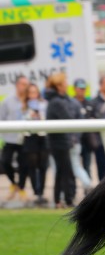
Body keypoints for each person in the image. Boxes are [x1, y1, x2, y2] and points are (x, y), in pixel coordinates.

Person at [44, 73, 76, 208]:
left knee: (61, 171)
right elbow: (69, 117)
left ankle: (58, 200)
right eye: (64, 83)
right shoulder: (58, 101)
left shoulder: (55, 100)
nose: (67, 85)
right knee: (66, 171)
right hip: (60, 142)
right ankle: (68, 200)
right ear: (58, 86)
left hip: (58, 141)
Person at [1, 76, 29, 201]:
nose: (24, 87)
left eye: (26, 84)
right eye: (23, 84)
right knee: (5, 161)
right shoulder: (7, 101)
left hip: (25, 138)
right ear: (17, 85)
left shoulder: (30, 101)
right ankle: (13, 183)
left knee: (24, 164)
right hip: (11, 138)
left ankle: (21, 188)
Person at [21, 83, 49, 206]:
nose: (33, 94)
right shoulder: (23, 106)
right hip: (30, 137)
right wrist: (29, 116)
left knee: (43, 165)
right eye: (30, 92)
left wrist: (40, 115)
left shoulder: (44, 104)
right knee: (32, 166)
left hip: (42, 137)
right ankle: (36, 191)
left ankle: (41, 192)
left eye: (35, 92)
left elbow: (47, 119)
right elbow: (20, 122)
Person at [72, 78, 96, 182]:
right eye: (79, 88)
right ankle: (72, 192)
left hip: (87, 140)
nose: (81, 90)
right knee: (73, 167)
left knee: (87, 165)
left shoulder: (89, 103)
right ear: (75, 89)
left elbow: (95, 117)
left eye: (83, 88)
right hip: (74, 140)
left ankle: (88, 191)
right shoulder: (70, 103)